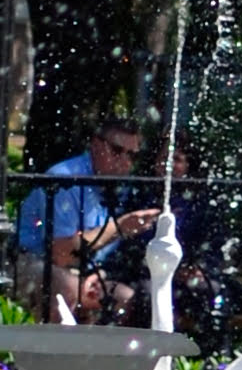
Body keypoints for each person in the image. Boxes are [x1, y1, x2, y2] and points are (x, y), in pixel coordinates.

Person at [10, 112, 161, 319]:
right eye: (117, 150)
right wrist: (119, 227)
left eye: (132, 155)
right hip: (32, 261)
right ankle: (51, 351)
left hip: (87, 271)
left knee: (129, 297)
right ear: (96, 145)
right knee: (68, 288)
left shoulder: (124, 187)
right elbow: (61, 254)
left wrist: (98, 275)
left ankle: (103, 352)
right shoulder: (66, 179)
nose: (125, 161)